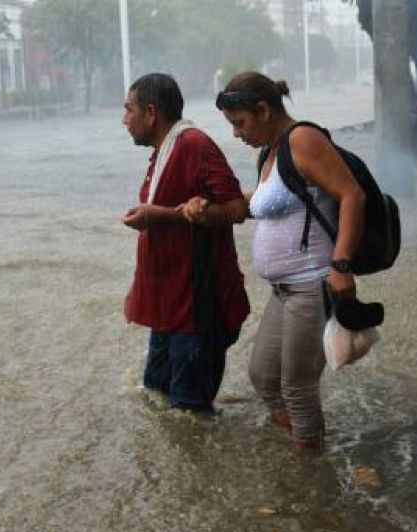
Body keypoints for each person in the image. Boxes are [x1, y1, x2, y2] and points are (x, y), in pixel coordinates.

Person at [204, 71, 365, 452]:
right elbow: (261, 204)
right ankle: (308, 447)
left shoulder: (303, 140)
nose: (236, 134)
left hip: (312, 285)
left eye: (240, 123)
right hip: (283, 292)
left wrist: (341, 265)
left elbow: (352, 196)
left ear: (263, 110)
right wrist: (208, 209)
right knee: (263, 377)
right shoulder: (270, 152)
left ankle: (311, 477)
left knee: (297, 385)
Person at [120, 73, 250, 415]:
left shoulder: (194, 144)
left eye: (128, 110)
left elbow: (236, 208)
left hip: (198, 308)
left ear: (151, 112)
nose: (124, 120)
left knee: (191, 415)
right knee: (155, 397)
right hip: (169, 307)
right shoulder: (163, 152)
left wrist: (162, 215)